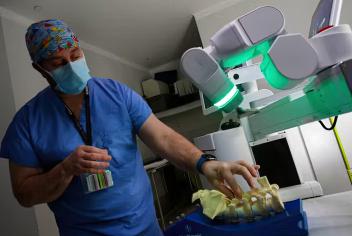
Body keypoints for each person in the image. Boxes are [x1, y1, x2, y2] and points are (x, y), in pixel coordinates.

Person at [0, 19, 259, 236]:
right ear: (40, 69)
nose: (70, 65)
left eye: (75, 55)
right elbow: (25, 194)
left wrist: (205, 163)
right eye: (58, 63)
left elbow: (163, 138)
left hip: (146, 228)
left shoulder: (116, 93)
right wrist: (65, 169)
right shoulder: (27, 123)